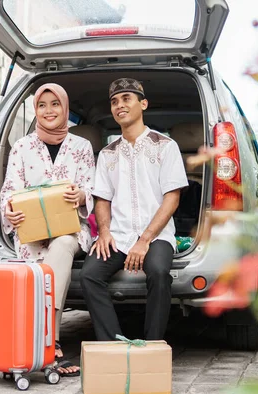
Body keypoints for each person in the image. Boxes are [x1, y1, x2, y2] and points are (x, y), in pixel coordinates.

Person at [80, 78, 188, 341]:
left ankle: (152, 345)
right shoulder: (107, 154)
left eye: (126, 99)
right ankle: (113, 343)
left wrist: (145, 240)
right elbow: (102, 199)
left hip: (156, 236)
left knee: (160, 273)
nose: (119, 105)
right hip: (118, 235)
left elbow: (172, 199)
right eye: (114, 102)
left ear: (143, 103)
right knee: (89, 275)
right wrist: (104, 232)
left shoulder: (165, 146)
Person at [0, 83, 95, 376]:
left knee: (64, 244)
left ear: (65, 109)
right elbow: (9, 191)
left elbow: (93, 188)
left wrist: (81, 196)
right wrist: (10, 212)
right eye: (43, 105)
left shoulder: (81, 147)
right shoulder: (21, 147)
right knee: (44, 255)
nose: (49, 110)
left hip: (72, 229)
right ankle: (42, 343)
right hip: (31, 233)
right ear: (35, 110)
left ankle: (48, 340)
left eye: (55, 104)